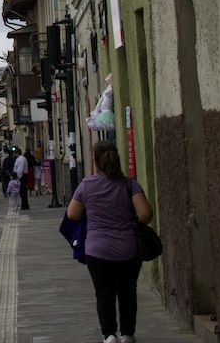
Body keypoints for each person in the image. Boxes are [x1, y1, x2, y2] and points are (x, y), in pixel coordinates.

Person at [66, 140, 153, 343]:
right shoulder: (130, 184)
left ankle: (109, 335)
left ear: (96, 162)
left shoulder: (86, 185)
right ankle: (127, 334)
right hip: (128, 249)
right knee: (127, 292)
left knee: (103, 293)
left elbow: (73, 214)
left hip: (97, 250)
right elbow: (146, 214)